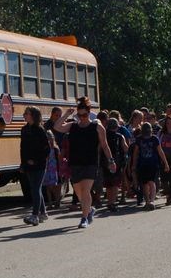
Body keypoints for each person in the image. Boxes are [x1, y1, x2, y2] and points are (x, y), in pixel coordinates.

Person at [53, 97, 118, 228]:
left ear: (89, 113)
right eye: (80, 115)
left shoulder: (97, 127)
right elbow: (57, 127)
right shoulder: (73, 126)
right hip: (75, 162)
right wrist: (66, 114)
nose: (82, 117)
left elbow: (105, 146)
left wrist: (111, 160)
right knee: (78, 191)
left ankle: (84, 218)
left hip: (91, 162)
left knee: (86, 189)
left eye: (85, 114)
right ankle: (89, 210)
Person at [20, 106, 50, 226]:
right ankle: (43, 213)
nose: (24, 115)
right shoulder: (24, 129)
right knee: (34, 188)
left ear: (33, 115)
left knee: (35, 189)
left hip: (39, 165)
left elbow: (46, 149)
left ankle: (35, 215)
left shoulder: (40, 130)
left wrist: (36, 161)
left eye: (26, 113)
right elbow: (22, 148)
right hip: (27, 164)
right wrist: (23, 163)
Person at [131, 122, 169, 211]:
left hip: (153, 164)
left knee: (152, 182)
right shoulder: (139, 139)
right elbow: (136, 153)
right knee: (144, 184)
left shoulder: (154, 139)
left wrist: (166, 163)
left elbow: (160, 151)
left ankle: (151, 201)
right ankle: (147, 201)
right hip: (142, 164)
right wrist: (134, 164)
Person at [102, 117, 128, 211]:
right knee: (116, 184)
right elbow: (125, 148)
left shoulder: (104, 136)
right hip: (117, 162)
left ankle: (109, 202)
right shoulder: (120, 136)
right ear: (117, 127)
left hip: (105, 162)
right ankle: (112, 203)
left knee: (108, 184)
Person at [43, 130, 62, 209]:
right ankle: (50, 203)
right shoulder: (45, 148)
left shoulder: (55, 148)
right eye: (47, 138)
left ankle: (57, 201)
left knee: (55, 186)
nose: (49, 140)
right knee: (48, 187)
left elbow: (59, 160)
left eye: (50, 138)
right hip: (47, 169)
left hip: (54, 169)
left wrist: (59, 170)